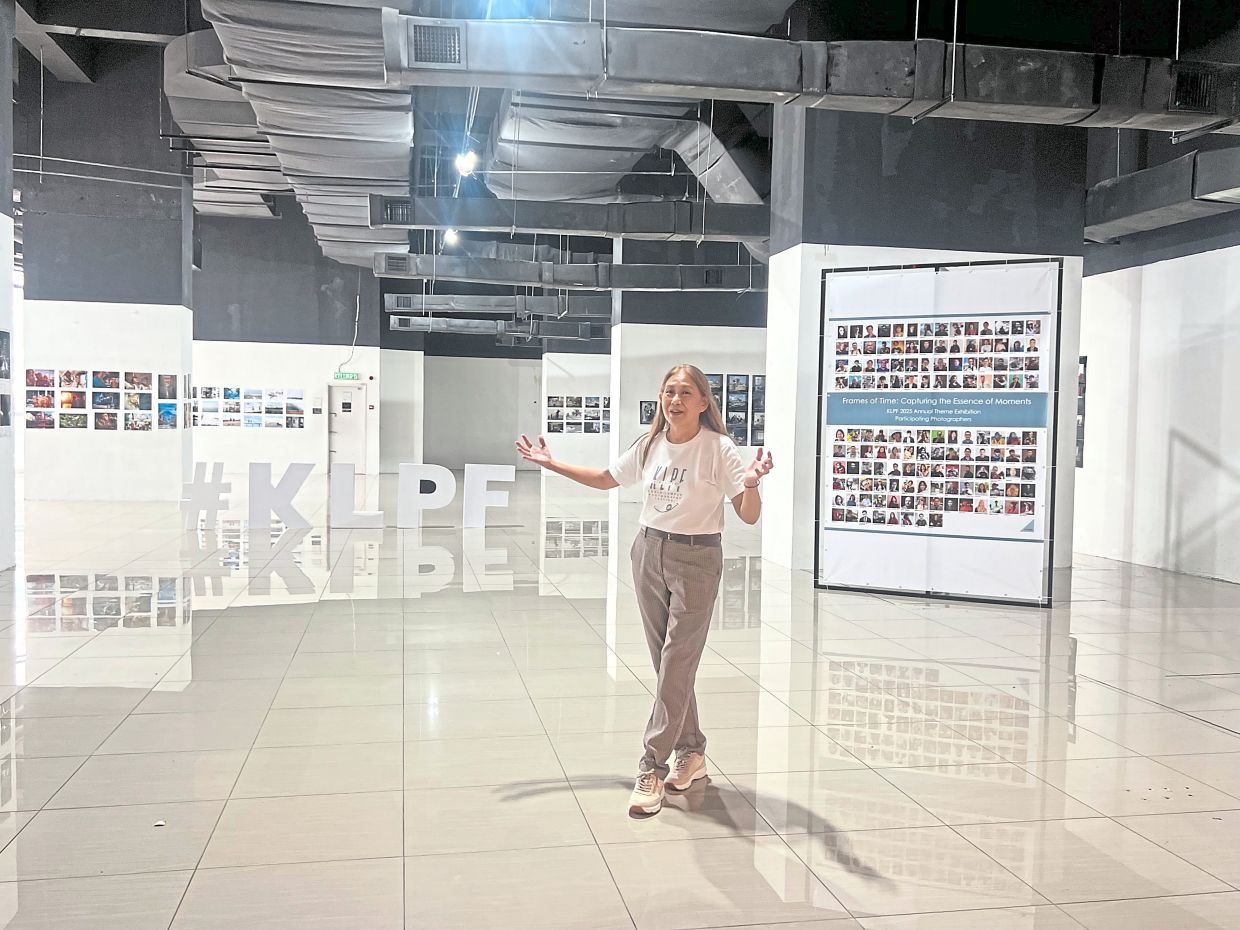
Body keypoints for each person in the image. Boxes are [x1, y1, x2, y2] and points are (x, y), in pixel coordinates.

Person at [516, 364, 773, 816]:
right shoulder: (650, 444)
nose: (674, 400)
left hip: (696, 560)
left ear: (702, 403)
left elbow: (748, 514)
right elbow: (604, 479)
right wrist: (550, 463)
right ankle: (691, 751)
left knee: (676, 663)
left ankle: (652, 763)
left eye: (685, 393)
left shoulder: (719, 449)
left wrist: (750, 484)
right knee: (667, 664)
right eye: (668, 391)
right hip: (648, 552)